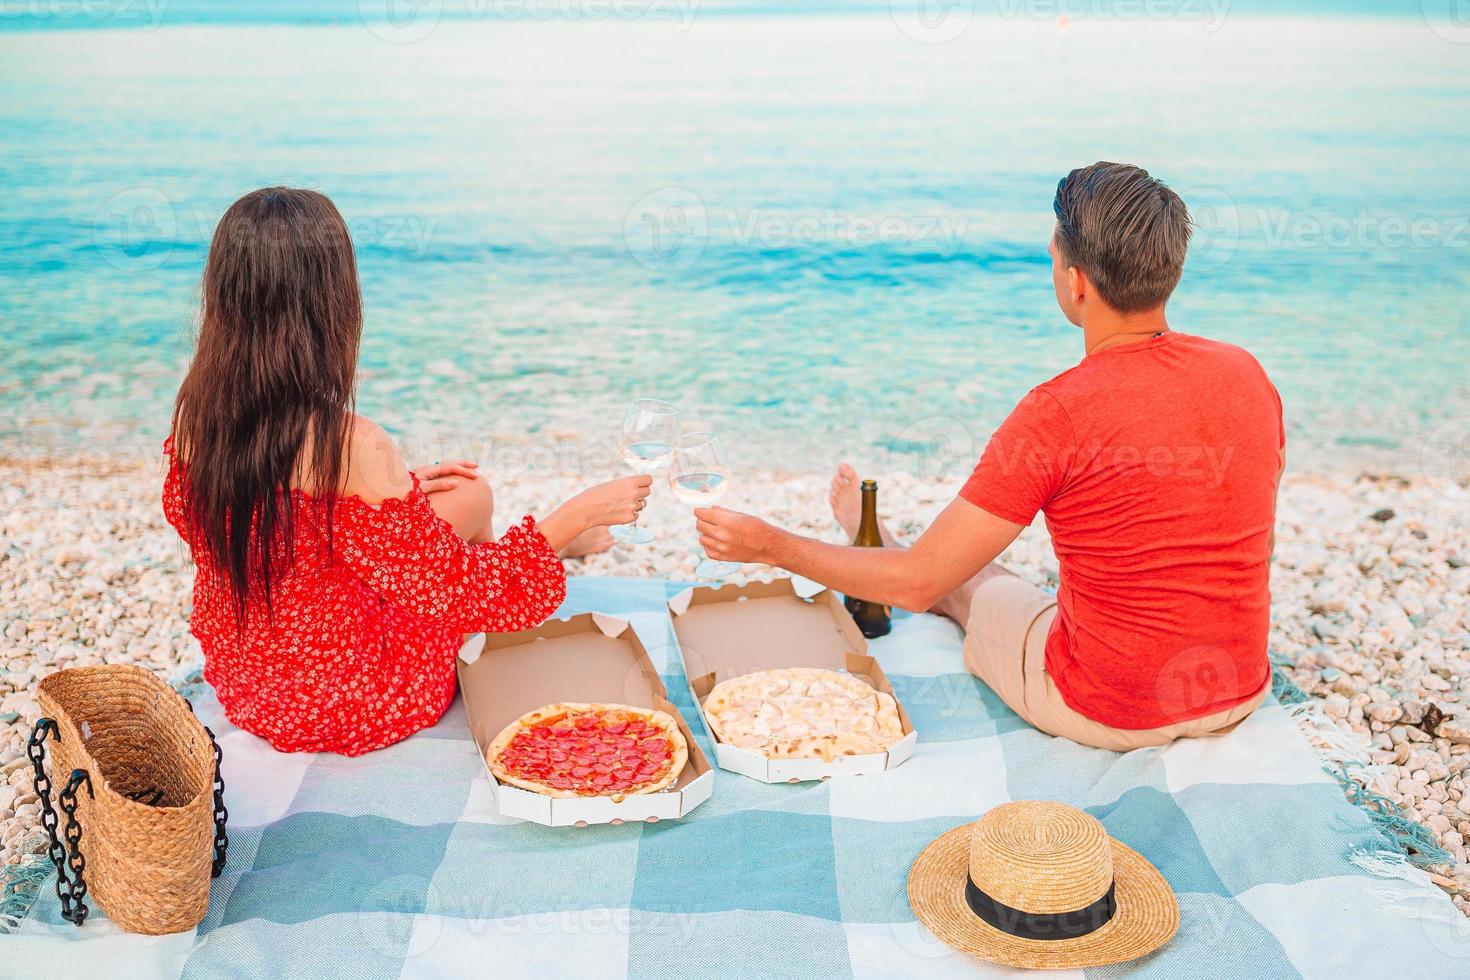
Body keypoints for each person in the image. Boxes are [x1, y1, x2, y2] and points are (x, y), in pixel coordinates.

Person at [696, 162, 1285, 752]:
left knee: (968, 584)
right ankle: (883, 538)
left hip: (1113, 712)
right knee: (990, 575)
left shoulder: (1058, 410)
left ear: (1075, 281)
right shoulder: (1245, 371)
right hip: (1238, 692)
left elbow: (917, 588)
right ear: (1170, 271)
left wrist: (768, 546)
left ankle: (877, 537)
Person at [164, 187, 650, 755]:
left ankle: (542, 563)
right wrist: (577, 512)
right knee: (473, 536)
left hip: (250, 682)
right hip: (351, 698)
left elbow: (276, 523)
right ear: (331, 300)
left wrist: (398, 495)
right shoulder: (351, 444)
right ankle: (523, 600)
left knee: (464, 494)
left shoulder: (198, 413)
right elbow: (456, 589)